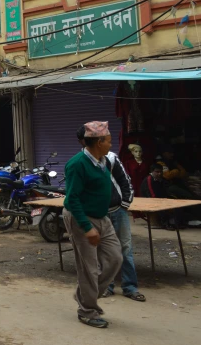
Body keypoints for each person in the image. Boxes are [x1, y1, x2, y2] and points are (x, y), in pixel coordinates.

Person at [62, 121, 123, 328]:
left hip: (102, 217)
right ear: (98, 142)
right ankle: (87, 310)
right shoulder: (77, 164)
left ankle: (83, 295)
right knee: (89, 268)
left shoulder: (103, 160)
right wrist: (87, 228)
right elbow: (72, 200)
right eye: (108, 141)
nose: (110, 144)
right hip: (82, 218)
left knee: (115, 258)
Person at [76, 127, 145, 302]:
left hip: (117, 212)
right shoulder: (81, 163)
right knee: (102, 252)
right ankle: (107, 287)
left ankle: (130, 287)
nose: (110, 144)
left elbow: (125, 182)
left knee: (125, 249)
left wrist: (124, 205)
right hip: (98, 215)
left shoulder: (111, 158)